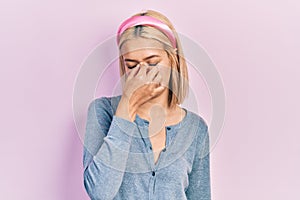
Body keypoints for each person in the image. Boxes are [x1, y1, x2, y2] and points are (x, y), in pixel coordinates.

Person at [83, 9, 211, 200]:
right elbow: (100, 192)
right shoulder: (103, 112)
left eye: (152, 63)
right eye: (132, 65)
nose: (142, 75)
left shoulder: (196, 129)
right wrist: (128, 104)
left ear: (172, 59)